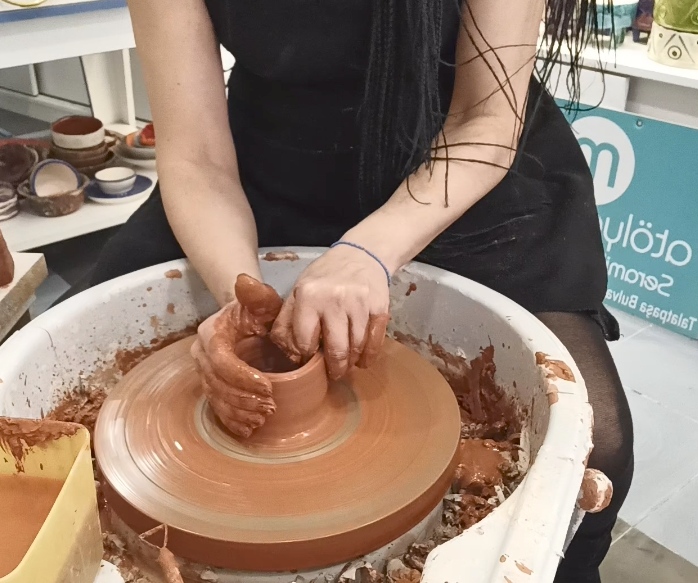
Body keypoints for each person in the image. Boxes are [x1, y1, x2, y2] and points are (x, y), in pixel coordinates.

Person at [86, 1, 633, 581]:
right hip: (260, 166)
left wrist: (369, 250)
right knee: (72, 426)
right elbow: (196, 159)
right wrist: (240, 297)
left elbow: (485, 119)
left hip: (457, 165)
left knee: (597, 447)